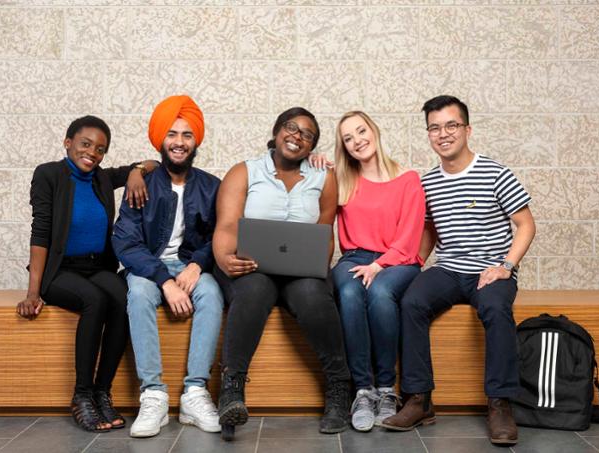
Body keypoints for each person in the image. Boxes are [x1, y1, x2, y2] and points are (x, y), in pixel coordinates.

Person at [381, 95, 536, 446]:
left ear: (467, 129)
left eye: (451, 125)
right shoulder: (428, 182)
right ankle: (419, 399)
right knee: (411, 302)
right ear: (429, 134)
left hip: (490, 270)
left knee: (496, 308)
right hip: (449, 268)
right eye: (434, 128)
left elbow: (525, 225)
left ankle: (499, 404)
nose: (443, 134)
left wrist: (506, 266)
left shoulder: (495, 172)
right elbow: (430, 231)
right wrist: (413, 265)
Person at [212, 107, 351, 440]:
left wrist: (316, 264)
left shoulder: (324, 176)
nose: (297, 136)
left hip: (301, 270)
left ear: (311, 146)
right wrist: (224, 258)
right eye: (291, 128)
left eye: (307, 134)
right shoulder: (244, 171)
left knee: (313, 295)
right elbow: (227, 225)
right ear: (276, 131)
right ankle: (231, 390)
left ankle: (338, 386)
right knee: (253, 291)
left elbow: (324, 229)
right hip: (253, 266)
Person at [16, 115, 158, 432]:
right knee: (94, 300)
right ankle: (81, 395)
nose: (92, 152)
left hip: (96, 266)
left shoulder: (102, 178)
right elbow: (40, 233)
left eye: (100, 149)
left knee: (125, 298)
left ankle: (101, 392)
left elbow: (155, 163)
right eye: (85, 144)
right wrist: (32, 293)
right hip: (60, 270)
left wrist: (136, 172)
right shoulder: (48, 174)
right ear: (68, 143)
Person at [112, 95, 223, 438]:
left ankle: (194, 393)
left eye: (187, 135)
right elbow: (126, 242)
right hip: (148, 266)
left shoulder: (211, 186)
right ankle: (153, 395)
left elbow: (222, 234)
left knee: (212, 293)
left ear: (196, 141)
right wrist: (164, 279)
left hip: (192, 265)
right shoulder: (141, 183)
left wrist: (197, 266)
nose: (179, 142)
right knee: (140, 295)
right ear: (161, 139)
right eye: (172, 134)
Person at [330, 111, 425, 432]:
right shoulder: (343, 179)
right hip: (355, 256)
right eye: (348, 138)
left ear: (374, 130)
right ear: (344, 147)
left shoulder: (408, 179)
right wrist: (314, 161)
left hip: (399, 259)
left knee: (381, 293)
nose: (357, 140)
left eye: (361, 131)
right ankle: (362, 391)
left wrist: (379, 265)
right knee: (348, 291)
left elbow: (411, 237)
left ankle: (386, 389)